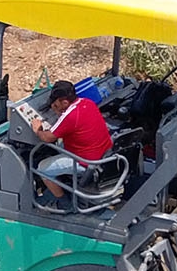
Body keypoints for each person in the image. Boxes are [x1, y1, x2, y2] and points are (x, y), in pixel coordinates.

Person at [28, 80, 113, 209]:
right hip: (102, 155)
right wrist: (59, 113)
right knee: (59, 148)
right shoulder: (87, 103)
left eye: (55, 103)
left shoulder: (70, 116)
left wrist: (37, 129)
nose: (53, 105)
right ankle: (59, 187)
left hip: (86, 162)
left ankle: (64, 203)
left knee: (42, 169)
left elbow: (48, 138)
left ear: (65, 102)